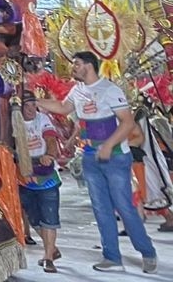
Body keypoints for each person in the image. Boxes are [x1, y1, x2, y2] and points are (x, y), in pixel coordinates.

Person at [33, 51, 158, 273]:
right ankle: (111, 256)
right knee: (101, 208)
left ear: (89, 66)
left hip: (117, 155)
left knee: (124, 206)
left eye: (77, 64)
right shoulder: (77, 90)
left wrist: (109, 145)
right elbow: (63, 108)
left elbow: (128, 123)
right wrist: (33, 101)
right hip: (91, 155)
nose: (72, 68)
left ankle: (147, 251)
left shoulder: (110, 90)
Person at [20, 92, 65, 272]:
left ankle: (48, 257)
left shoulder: (43, 118)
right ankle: (52, 248)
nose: (31, 109)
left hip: (46, 177)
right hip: (25, 177)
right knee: (32, 217)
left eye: (33, 105)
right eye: (27, 106)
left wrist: (49, 154)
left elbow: (50, 139)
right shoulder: (12, 121)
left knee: (49, 217)